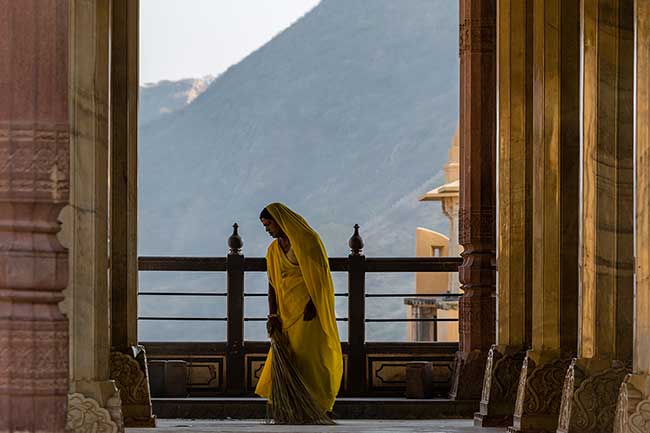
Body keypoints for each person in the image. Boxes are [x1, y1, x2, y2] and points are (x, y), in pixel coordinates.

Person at [254, 202, 343, 415]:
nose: (267, 230)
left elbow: (320, 277)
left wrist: (314, 303)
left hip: (308, 313)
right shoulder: (273, 250)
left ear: (280, 221)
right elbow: (272, 284)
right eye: (265, 226)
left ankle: (318, 406)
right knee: (290, 358)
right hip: (286, 313)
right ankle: (292, 408)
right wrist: (273, 314)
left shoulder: (307, 242)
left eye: (269, 225)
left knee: (311, 359)